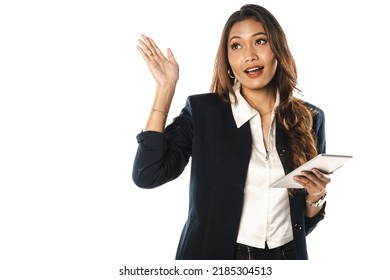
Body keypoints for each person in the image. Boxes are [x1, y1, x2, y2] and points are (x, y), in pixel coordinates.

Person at [132, 4, 330, 260]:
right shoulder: (204, 112)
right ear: (227, 60)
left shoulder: (310, 117)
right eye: (236, 46)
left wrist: (316, 196)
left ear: (278, 49)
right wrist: (165, 88)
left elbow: (303, 224)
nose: (249, 55)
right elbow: (147, 174)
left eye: (260, 41)